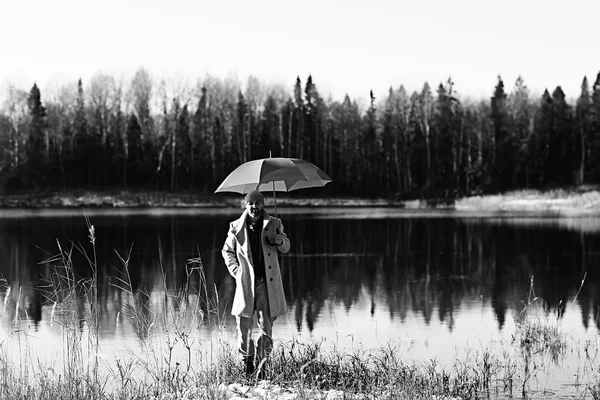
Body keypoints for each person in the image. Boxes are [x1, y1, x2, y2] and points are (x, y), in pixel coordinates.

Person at [221, 189, 290, 377]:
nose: (254, 207)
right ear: (246, 205)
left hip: (266, 285)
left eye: (258, 203)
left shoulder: (275, 223)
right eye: (251, 203)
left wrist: (279, 240)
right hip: (245, 284)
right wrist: (236, 271)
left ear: (263, 204)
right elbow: (227, 251)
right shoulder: (235, 226)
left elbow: (286, 247)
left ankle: (263, 365)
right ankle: (247, 364)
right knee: (243, 324)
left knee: (266, 324)